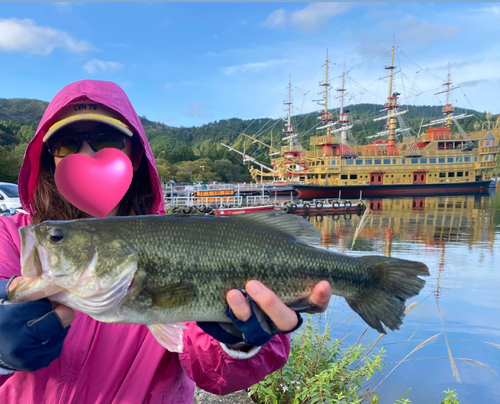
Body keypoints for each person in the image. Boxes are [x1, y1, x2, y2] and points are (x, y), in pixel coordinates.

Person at [0, 79, 332, 403]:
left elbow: (220, 376)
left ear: (135, 154)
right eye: (67, 143)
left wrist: (242, 344)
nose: (87, 153)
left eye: (106, 138)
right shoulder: (13, 237)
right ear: (48, 159)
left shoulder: (175, 240)